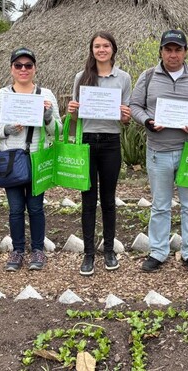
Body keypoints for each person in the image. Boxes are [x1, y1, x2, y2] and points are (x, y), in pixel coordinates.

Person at [129, 29, 188, 275]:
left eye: (178, 49)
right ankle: (157, 251)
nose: (173, 54)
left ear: (186, 52)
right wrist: (147, 121)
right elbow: (135, 105)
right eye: (168, 49)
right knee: (160, 205)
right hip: (158, 151)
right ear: (161, 51)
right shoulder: (147, 77)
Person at [0, 47, 61, 272]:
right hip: (10, 159)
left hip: (38, 158)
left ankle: (38, 249)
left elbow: (57, 130)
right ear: (11, 69)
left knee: (36, 208)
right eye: (19, 65)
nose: (23, 69)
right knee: (15, 208)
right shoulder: (1, 95)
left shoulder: (46, 95)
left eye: (28, 65)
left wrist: (47, 118)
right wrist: (6, 130)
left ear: (35, 68)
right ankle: (18, 250)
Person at [66, 32, 132, 276]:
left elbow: (125, 118)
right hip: (87, 142)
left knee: (108, 200)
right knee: (87, 199)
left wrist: (125, 117)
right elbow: (75, 117)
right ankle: (88, 254)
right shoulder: (81, 77)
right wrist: (72, 111)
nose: (101, 50)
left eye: (106, 46)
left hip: (111, 142)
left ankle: (109, 251)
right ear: (91, 50)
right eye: (97, 46)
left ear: (113, 49)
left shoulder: (123, 78)